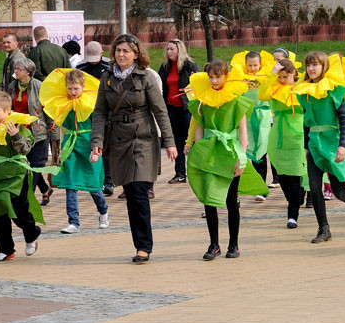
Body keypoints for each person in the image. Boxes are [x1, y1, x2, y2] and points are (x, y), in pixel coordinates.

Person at [90, 34, 177, 263]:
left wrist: (169, 142)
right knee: (130, 193)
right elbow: (99, 112)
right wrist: (97, 142)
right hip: (118, 139)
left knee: (139, 191)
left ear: (136, 54)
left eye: (126, 51)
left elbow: (160, 111)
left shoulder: (146, 77)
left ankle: (143, 246)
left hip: (143, 139)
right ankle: (139, 242)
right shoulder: (107, 78)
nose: (121, 55)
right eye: (118, 50)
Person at [187, 60, 268, 259]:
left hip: (230, 151)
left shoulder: (234, 100)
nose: (214, 81)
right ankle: (214, 244)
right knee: (209, 199)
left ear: (226, 76)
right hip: (210, 152)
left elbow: (243, 133)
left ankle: (234, 244)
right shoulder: (202, 101)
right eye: (211, 77)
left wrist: (241, 158)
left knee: (231, 200)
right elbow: (199, 127)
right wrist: (198, 151)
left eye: (218, 76)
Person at [293, 52, 345, 243]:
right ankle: (324, 228)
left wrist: (342, 146)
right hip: (314, 143)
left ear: (324, 67)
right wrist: (305, 146)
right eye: (308, 65)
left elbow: (343, 120)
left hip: (332, 143)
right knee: (314, 186)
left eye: (315, 65)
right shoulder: (305, 91)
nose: (311, 69)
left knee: (339, 191)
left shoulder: (334, 91)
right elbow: (306, 120)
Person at [0, 91, 57, 261]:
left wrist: (15, 135)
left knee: (19, 210)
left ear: (8, 110)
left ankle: (31, 233)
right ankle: (5, 248)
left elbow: (25, 149)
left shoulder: (17, 125)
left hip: (17, 173)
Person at [39, 69, 109, 234]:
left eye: (76, 88)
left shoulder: (90, 104)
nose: (72, 92)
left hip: (88, 145)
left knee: (92, 184)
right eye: (69, 88)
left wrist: (96, 148)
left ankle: (103, 211)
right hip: (71, 145)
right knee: (70, 184)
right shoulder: (64, 103)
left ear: (83, 87)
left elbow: (99, 126)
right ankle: (73, 221)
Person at [258, 59, 307, 229]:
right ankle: (297, 196)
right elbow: (262, 95)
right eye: (279, 77)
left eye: (285, 76)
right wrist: (271, 74)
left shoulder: (301, 87)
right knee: (283, 175)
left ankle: (292, 215)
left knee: (294, 174)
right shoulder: (275, 87)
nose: (282, 79)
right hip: (278, 135)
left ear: (294, 73)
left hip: (297, 135)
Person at [7, 58, 56, 205]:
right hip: (19, 133)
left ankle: (28, 198)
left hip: (37, 132)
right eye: (15, 68)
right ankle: (45, 189)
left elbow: (49, 111)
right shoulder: (12, 86)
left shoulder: (39, 86)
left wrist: (53, 134)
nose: (15, 71)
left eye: (19, 69)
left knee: (34, 165)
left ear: (28, 72)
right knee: (26, 165)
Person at [230, 50, 273, 202]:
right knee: (244, 151)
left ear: (260, 64)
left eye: (255, 65)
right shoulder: (241, 77)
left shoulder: (266, 77)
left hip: (262, 117)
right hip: (246, 118)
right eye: (250, 65)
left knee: (261, 152)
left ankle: (261, 189)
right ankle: (240, 187)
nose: (253, 68)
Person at [157, 39, 199, 184]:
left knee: (191, 140)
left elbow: (198, 84)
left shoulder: (189, 66)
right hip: (170, 109)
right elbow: (159, 85)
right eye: (167, 49)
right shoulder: (165, 67)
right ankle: (180, 173)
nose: (169, 52)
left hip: (186, 109)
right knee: (176, 141)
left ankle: (197, 170)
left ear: (179, 50)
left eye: (172, 49)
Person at [77, 41, 113, 195]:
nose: (92, 62)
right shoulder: (80, 68)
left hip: (106, 111)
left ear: (102, 54)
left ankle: (109, 181)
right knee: (90, 147)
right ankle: (93, 180)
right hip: (86, 113)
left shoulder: (109, 68)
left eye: (95, 58)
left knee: (104, 147)